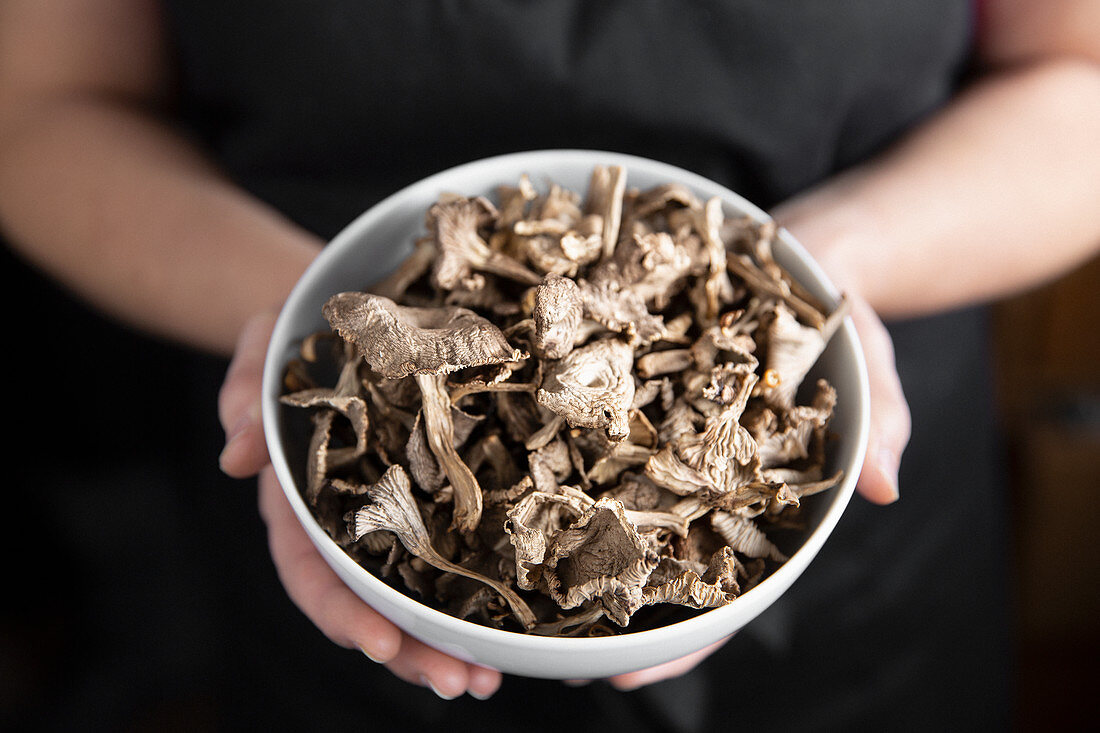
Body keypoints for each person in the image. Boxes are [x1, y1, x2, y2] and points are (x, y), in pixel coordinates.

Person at [1, 0, 1097, 729]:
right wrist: (302, 309)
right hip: (328, 520)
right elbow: (39, 110)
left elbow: (1074, 77)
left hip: (859, 564)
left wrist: (822, 267)